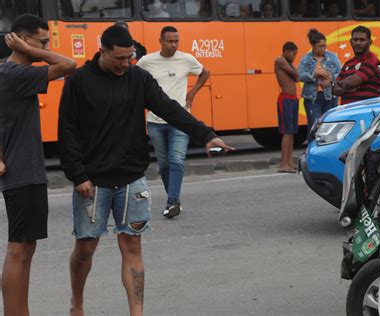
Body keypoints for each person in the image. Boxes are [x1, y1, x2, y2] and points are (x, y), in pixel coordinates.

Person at [58, 25, 232, 316]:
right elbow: (67, 132)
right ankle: (77, 301)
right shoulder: (78, 81)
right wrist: (78, 175)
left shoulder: (138, 78)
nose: (126, 64)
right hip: (93, 181)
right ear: (102, 51)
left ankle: (136, 312)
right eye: (120, 59)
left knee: (132, 247)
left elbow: (169, 108)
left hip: (132, 179)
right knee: (85, 249)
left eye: (130, 57)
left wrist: (206, 134)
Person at [0, 14, 76, 315]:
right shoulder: (17, 74)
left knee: (23, 248)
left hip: (20, 170)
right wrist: (33, 52)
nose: (48, 47)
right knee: (19, 250)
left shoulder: (6, 72)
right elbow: (68, 65)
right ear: (23, 39)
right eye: (44, 41)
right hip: (25, 171)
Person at [137, 25, 210, 218]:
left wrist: (192, 94)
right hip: (155, 122)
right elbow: (134, 80)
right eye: (169, 41)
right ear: (160, 41)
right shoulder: (146, 61)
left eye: (176, 41)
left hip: (180, 121)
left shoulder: (186, 59)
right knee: (164, 164)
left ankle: (172, 201)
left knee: (176, 160)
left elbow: (205, 72)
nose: (173, 45)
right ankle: (173, 199)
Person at [298, 28, 341, 132]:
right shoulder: (305, 59)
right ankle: (313, 147)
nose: (323, 48)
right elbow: (299, 75)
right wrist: (313, 75)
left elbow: (341, 73)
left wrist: (330, 79)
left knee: (330, 126)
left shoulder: (333, 57)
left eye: (324, 46)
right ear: (313, 46)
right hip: (313, 99)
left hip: (330, 97)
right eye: (320, 46)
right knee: (314, 126)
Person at [333, 25, 380, 105]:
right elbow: (334, 90)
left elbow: (350, 82)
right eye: (355, 40)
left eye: (362, 40)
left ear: (370, 42)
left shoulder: (372, 60)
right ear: (351, 42)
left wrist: (342, 85)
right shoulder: (347, 64)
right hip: (347, 112)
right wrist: (348, 87)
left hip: (366, 111)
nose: (358, 43)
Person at [274, 41, 299, 173]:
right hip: (285, 99)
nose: (294, 57)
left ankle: (289, 161)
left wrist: (292, 65)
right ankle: (284, 163)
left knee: (292, 131)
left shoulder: (287, 62)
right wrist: (292, 67)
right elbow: (295, 74)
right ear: (286, 51)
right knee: (287, 131)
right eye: (293, 54)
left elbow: (296, 78)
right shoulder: (280, 61)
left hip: (293, 99)